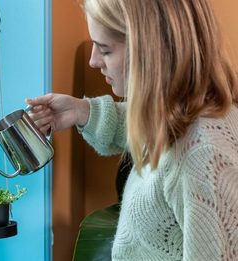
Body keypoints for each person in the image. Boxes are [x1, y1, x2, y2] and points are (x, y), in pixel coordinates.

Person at [26, 0, 238, 260]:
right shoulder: (182, 114)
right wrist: (82, 111)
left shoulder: (201, 154)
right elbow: (150, 126)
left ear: (152, 51)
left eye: (105, 50)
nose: (93, 61)